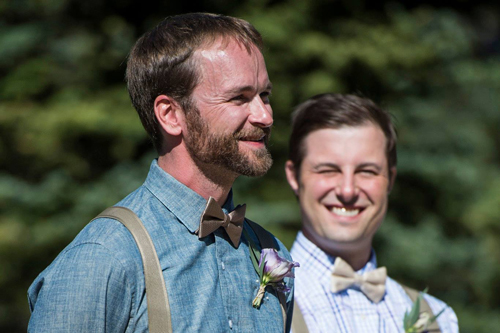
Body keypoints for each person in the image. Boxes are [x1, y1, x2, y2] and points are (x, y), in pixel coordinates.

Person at [28, 13, 294, 332]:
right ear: (170, 115)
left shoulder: (272, 251)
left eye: (264, 95)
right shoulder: (105, 257)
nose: (264, 116)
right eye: (239, 97)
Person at [285, 93, 459, 332]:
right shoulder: (256, 305)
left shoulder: (437, 320)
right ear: (294, 177)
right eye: (328, 170)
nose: (347, 190)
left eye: (366, 171)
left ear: (390, 179)